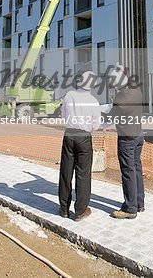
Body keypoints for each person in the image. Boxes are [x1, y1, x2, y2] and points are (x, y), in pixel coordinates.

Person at [58, 71, 101, 222]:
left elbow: (63, 114)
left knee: (65, 172)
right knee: (83, 174)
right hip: (83, 137)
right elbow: (96, 124)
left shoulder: (69, 95)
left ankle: (64, 209)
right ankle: (80, 211)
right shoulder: (93, 101)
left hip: (69, 134)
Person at [105, 64, 145, 219]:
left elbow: (108, 118)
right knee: (136, 168)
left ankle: (130, 209)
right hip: (139, 135)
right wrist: (123, 69)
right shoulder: (136, 90)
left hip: (127, 138)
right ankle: (139, 203)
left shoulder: (121, 98)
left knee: (128, 171)